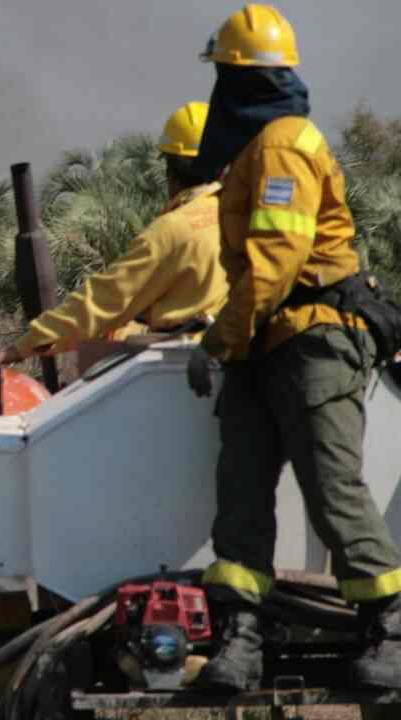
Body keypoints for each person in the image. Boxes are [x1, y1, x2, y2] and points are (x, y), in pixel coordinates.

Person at [185, 3, 401, 692]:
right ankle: (241, 639)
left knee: (332, 491)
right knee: (241, 498)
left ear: (238, 79)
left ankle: (389, 631)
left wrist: (218, 340)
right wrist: (233, 340)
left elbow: (277, 260)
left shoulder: (283, 144)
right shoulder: (257, 148)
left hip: (313, 340)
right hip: (263, 341)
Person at [0, 101, 227, 370]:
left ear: (170, 170)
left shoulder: (173, 231)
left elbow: (104, 300)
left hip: (180, 367)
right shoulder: (241, 214)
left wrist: (21, 347)